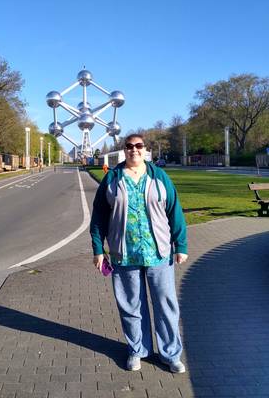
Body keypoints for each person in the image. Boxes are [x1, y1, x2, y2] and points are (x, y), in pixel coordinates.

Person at [90, 133, 188, 373]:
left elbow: (175, 211)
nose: (134, 150)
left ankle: (170, 354)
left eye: (138, 146)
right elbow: (98, 217)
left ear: (145, 149)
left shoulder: (159, 176)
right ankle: (137, 351)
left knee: (165, 304)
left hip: (159, 254)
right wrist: (98, 249)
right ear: (125, 150)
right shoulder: (112, 178)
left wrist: (181, 245)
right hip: (124, 255)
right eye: (129, 146)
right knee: (131, 306)